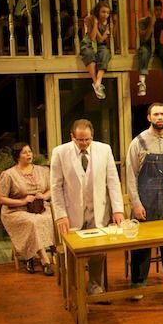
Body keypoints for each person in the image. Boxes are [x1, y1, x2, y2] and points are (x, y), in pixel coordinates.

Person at [50, 119, 125, 297]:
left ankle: (95, 286)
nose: (84, 143)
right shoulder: (60, 153)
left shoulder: (104, 149)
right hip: (72, 212)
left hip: (97, 210)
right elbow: (55, 186)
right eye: (80, 140)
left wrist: (118, 210)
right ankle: (75, 288)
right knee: (73, 252)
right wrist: (60, 215)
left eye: (88, 140)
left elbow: (113, 182)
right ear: (72, 137)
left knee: (98, 250)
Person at [125, 103, 163, 300]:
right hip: (146, 200)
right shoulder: (138, 142)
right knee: (142, 243)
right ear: (149, 117)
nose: (159, 117)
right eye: (155, 114)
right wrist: (136, 203)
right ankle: (138, 282)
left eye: (162, 114)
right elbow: (130, 174)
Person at [0, 143, 55, 276]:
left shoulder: (42, 170)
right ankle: (44, 260)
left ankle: (30, 257)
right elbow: (1, 199)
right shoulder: (8, 175)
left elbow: (52, 188)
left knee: (53, 218)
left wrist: (44, 196)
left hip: (39, 208)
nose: (29, 154)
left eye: (29, 151)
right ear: (18, 156)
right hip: (15, 210)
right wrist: (22, 201)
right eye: (24, 152)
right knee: (32, 222)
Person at [136, 0, 163, 97]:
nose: (158, 12)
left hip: (157, 44)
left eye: (160, 10)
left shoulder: (161, 21)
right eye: (156, 10)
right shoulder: (143, 21)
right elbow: (144, 38)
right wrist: (151, 23)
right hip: (146, 44)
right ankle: (142, 82)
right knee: (144, 52)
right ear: (150, 10)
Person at [81, 1, 112, 100]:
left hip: (100, 45)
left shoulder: (108, 23)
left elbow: (101, 40)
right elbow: (93, 37)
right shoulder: (89, 19)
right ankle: (96, 83)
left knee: (105, 53)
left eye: (107, 13)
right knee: (88, 53)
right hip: (88, 42)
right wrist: (95, 23)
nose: (105, 15)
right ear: (98, 11)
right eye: (103, 12)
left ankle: (98, 82)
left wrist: (103, 36)